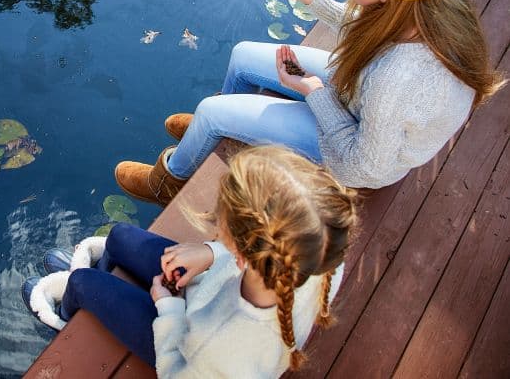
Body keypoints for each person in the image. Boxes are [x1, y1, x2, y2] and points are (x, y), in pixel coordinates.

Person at [114, 0, 504, 205]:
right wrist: (326, 5)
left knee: (212, 112)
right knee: (243, 55)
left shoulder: (401, 79)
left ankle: (170, 180)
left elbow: (362, 164)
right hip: (362, 100)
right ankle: (220, 130)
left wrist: (314, 91)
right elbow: (379, 35)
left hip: (357, 148)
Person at [22, 146, 359, 377]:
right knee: (120, 235)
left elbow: (174, 372)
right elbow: (268, 248)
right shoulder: (319, 247)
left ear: (244, 254)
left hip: (184, 343)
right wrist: (214, 252)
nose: (216, 220)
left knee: (83, 284)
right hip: (210, 292)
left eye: (221, 224)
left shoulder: (223, 349)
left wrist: (169, 310)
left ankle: (65, 315)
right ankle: (100, 279)